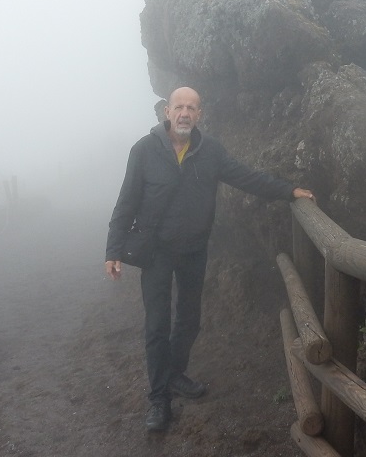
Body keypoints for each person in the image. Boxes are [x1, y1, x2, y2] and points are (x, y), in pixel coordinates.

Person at [105, 86, 314, 432]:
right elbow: (126, 202)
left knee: (189, 319)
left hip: (193, 250)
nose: (185, 113)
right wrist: (113, 251)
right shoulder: (143, 150)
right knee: (157, 325)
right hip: (155, 251)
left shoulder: (210, 151)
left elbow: (247, 177)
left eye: (192, 107)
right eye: (179, 107)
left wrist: (288, 190)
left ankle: (174, 374)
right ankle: (158, 399)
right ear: (166, 112)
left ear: (199, 115)